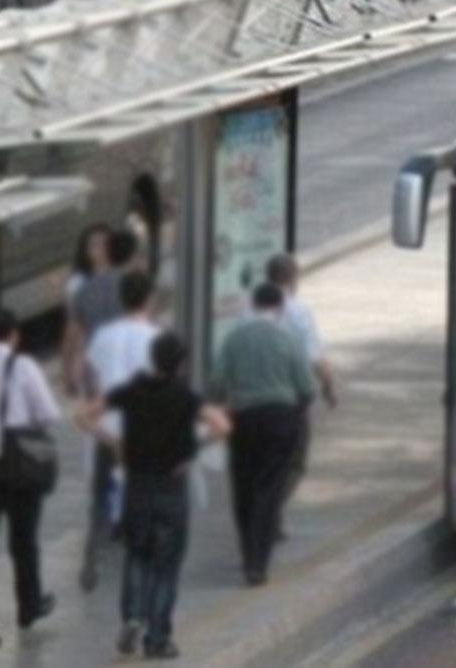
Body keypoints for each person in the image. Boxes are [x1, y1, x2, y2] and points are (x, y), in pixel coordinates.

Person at [78, 332, 230, 661]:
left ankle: (132, 616)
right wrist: (193, 449)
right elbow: (221, 426)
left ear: (153, 358)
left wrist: (114, 443)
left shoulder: (132, 390)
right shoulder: (186, 397)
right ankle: (157, 638)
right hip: (171, 488)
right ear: (181, 364)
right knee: (166, 565)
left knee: (137, 555)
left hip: (137, 486)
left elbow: (84, 416)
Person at [208, 283, 314, 586]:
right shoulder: (288, 339)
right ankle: (259, 563)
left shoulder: (234, 338)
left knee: (243, 486)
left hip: (243, 418)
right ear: (280, 307)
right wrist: (297, 412)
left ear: (253, 304)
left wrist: (222, 404)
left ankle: (247, 552)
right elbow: (306, 388)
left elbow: (216, 381)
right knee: (269, 488)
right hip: (280, 418)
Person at [0, 310, 59, 650]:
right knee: (24, 540)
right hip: (18, 464)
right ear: (14, 336)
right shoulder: (23, 367)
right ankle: (29, 606)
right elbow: (49, 413)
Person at [78, 269, 160, 593]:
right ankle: (135, 562)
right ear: (150, 298)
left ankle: (93, 550)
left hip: (108, 431)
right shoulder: (155, 338)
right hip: (143, 433)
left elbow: (94, 380)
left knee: (101, 493)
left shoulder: (104, 336)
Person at [264, 254, 338, 537]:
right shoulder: (297, 310)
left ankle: (268, 510)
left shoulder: (250, 307)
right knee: (295, 459)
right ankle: (270, 508)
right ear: (292, 278)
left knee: (265, 459)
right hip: (289, 398)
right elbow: (315, 357)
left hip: (254, 398)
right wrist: (329, 386)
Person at [64, 228, 138, 398]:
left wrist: (69, 373)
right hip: (118, 366)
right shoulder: (132, 286)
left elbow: (72, 334)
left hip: (99, 365)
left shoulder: (83, 290)